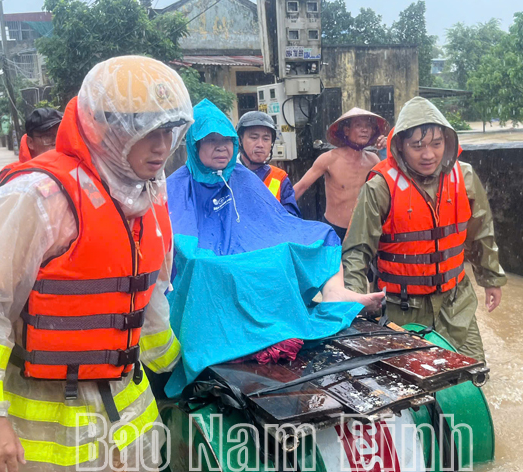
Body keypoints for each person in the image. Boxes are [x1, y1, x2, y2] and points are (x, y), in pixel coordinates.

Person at [0, 56, 192, 472]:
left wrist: (178, 366)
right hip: (46, 414)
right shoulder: (38, 196)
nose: (162, 147)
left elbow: (143, 295)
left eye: (170, 131)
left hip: (118, 403)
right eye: (147, 131)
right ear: (106, 129)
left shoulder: (145, 195)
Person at [162, 99, 383, 396]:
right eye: (211, 141)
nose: (221, 148)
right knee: (209, 268)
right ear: (194, 145)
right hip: (204, 258)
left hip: (248, 249)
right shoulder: (178, 184)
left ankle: (335, 294)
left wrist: (284, 241)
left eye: (226, 141)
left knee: (319, 235)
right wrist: (205, 255)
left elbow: (276, 220)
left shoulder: (243, 178)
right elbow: (178, 237)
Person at [343, 97, 506, 362]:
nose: (428, 154)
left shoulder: (464, 177)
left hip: (456, 301)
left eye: (436, 144)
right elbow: (357, 251)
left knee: (474, 375)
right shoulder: (379, 187)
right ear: (401, 146)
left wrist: (491, 280)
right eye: (417, 146)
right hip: (402, 308)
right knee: (413, 391)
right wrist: (354, 299)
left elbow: (481, 233)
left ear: (447, 142)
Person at [0, 107, 64, 248]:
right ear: (30, 142)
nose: (55, 143)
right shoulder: (11, 177)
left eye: (60, 135)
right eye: (47, 137)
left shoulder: (75, 174)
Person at [293, 108, 387, 240]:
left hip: (363, 230)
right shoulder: (329, 159)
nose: (365, 129)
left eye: (368, 126)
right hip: (334, 230)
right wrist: (278, 211)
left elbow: (390, 188)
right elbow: (301, 186)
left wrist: (386, 153)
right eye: (359, 125)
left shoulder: (373, 160)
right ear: (346, 131)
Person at [235, 111, 300, 216]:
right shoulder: (226, 175)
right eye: (254, 137)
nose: (260, 144)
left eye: (266, 139)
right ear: (240, 140)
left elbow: (291, 221)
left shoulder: (279, 178)